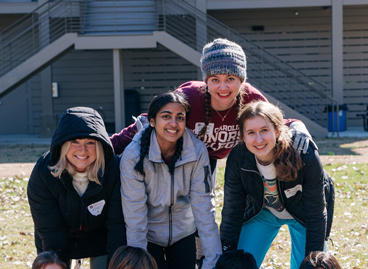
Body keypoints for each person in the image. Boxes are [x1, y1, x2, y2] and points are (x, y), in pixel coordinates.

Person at [111, 38, 311, 179]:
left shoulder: (251, 98)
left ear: (241, 81)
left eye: (230, 79)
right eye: (215, 80)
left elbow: (274, 124)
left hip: (219, 161)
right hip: (182, 157)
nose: (223, 87)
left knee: (205, 207)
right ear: (206, 81)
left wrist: (298, 126)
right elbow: (153, 119)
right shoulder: (189, 96)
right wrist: (105, 146)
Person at [120, 92, 222, 269]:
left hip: (183, 231)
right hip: (148, 235)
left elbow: (204, 206)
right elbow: (135, 215)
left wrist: (213, 257)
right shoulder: (133, 157)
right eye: (166, 116)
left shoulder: (197, 150)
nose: (173, 123)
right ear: (152, 121)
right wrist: (138, 261)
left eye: (180, 117)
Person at [220, 100, 334, 269]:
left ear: (278, 130)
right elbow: (232, 210)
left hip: (303, 214)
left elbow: (316, 214)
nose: (258, 139)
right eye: (251, 132)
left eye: (264, 130)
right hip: (263, 212)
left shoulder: (305, 154)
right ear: (242, 136)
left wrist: (313, 267)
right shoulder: (238, 158)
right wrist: (226, 260)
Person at [27, 107, 126, 269]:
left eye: (90, 142)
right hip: (57, 237)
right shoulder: (43, 173)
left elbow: (117, 226)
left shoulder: (114, 170)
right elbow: (51, 232)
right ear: (63, 144)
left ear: (100, 145)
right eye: (75, 141)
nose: (82, 150)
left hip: (100, 237)